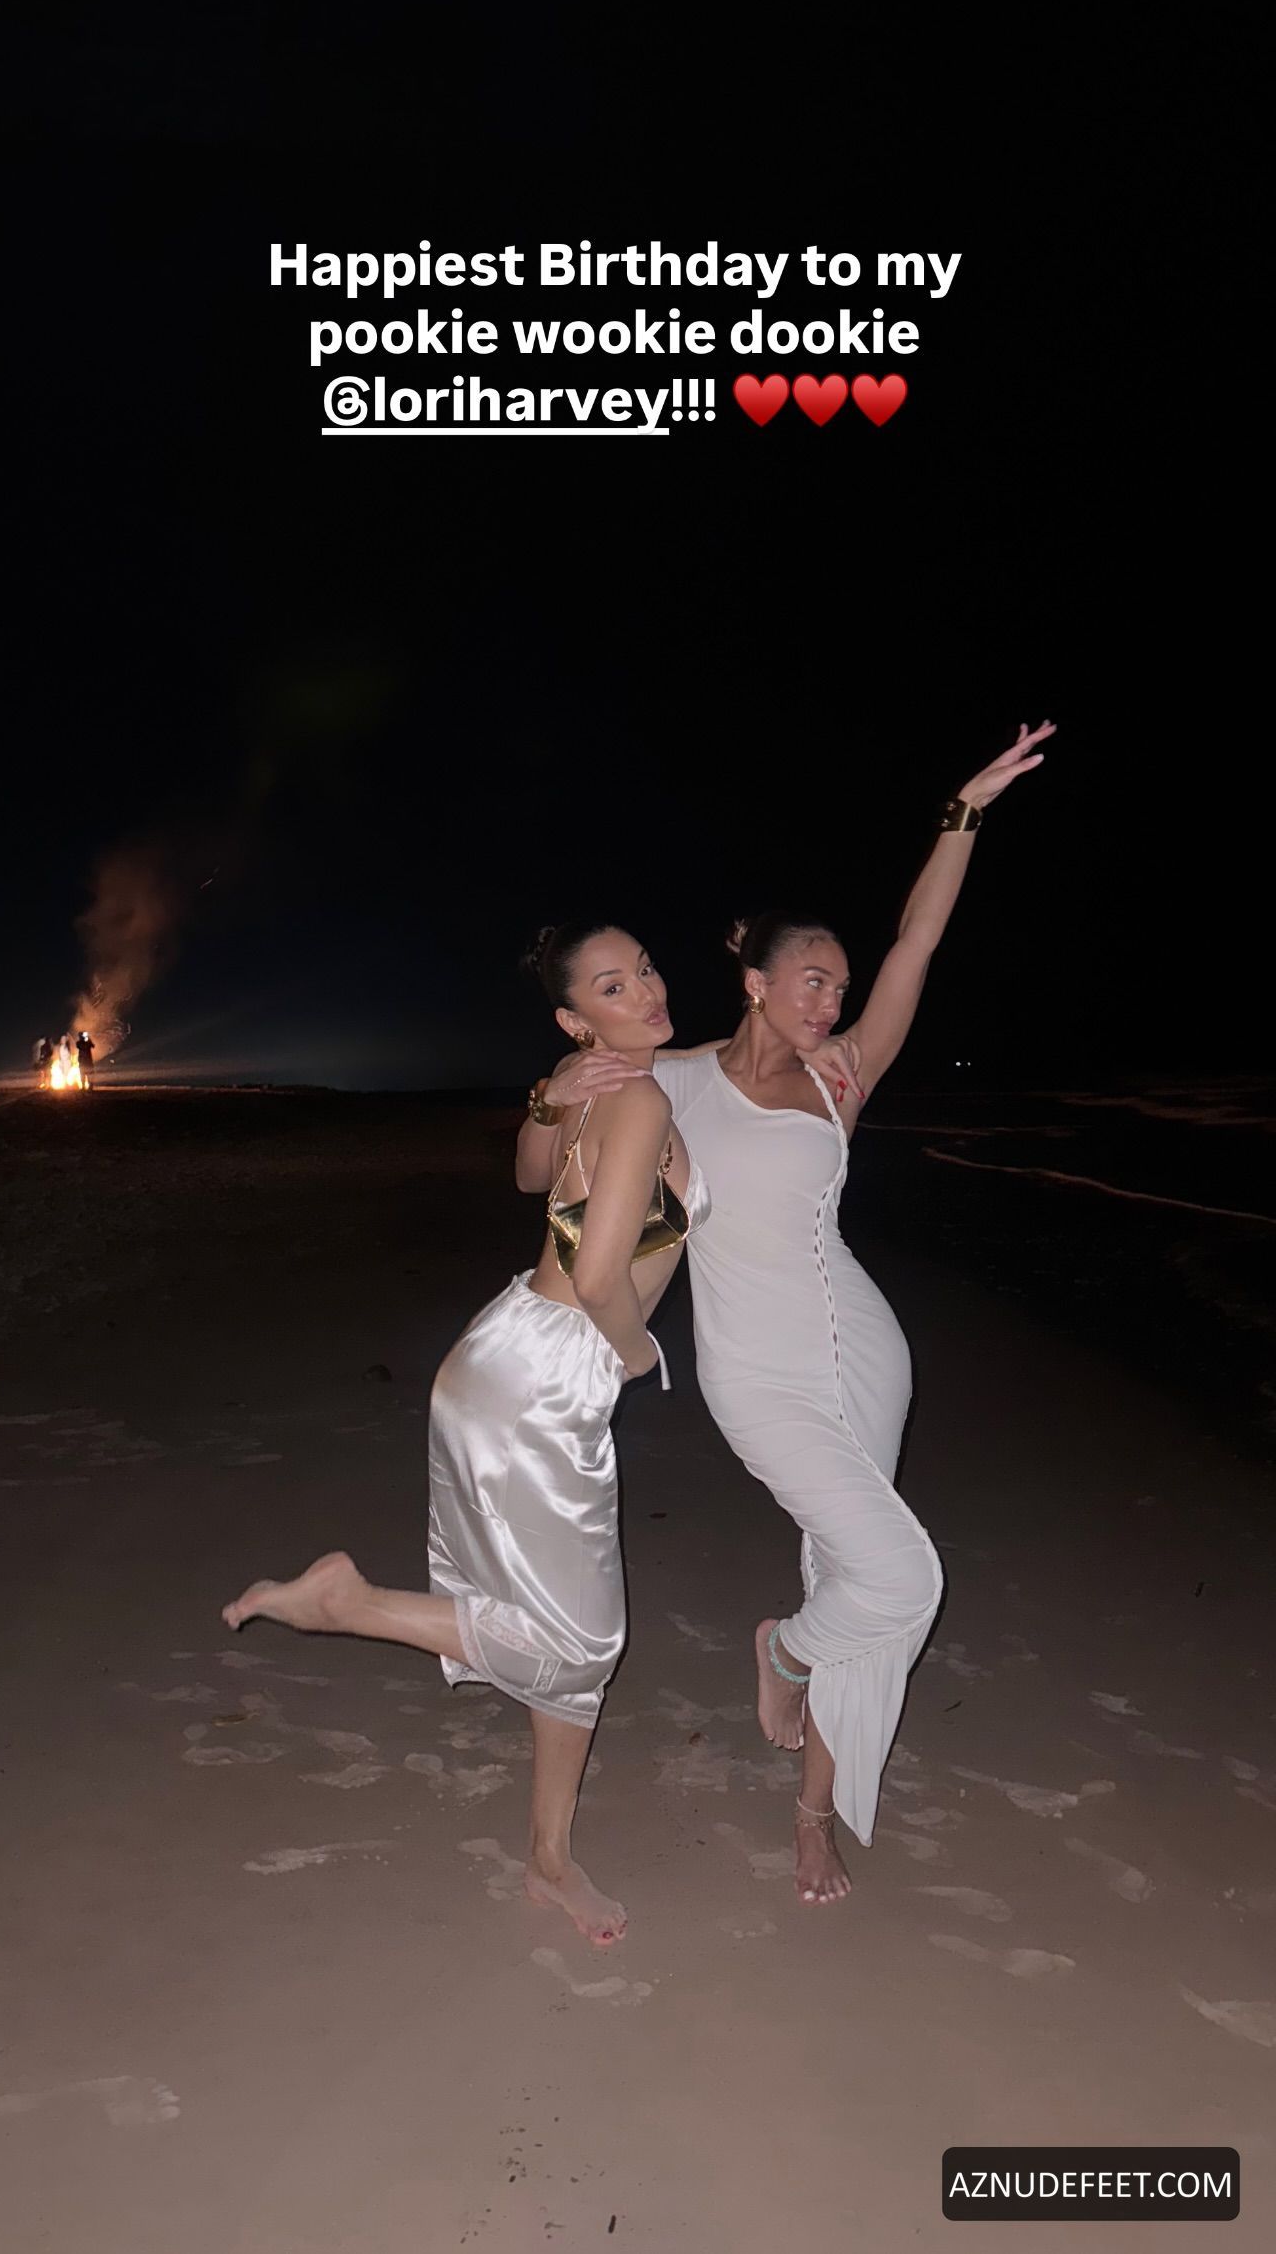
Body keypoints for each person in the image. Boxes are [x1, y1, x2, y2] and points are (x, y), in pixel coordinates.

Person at [517, 723, 1055, 1906]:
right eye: (813, 979)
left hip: (864, 1348)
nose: (832, 999)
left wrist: (963, 811)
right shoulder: (672, 1079)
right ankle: (788, 1650)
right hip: (754, 1370)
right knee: (901, 1575)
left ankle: (814, 1808)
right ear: (756, 981)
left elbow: (920, 939)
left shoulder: (840, 1076)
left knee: (858, 1572)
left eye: (841, 988)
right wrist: (553, 1094)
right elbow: (541, 1170)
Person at [223, 922, 707, 1946]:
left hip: (501, 1353)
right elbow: (601, 1275)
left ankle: (549, 1860)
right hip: (548, 1376)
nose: (647, 989)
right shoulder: (640, 1100)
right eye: (614, 985)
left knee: (561, 1627)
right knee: (580, 1641)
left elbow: (532, 1179)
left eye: (645, 968)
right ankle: (348, 1605)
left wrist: (548, 1095)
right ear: (577, 1018)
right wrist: (639, 1359)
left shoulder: (594, 1088)